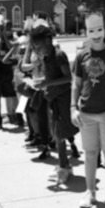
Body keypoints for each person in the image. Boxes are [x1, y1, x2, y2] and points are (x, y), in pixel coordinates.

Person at [71, 13, 105, 208]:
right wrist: (73, 107)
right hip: (86, 113)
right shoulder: (80, 56)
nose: (96, 34)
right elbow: (76, 85)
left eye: (99, 29)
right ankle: (90, 191)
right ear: (86, 32)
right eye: (91, 30)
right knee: (90, 153)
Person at [30, 22, 77, 185]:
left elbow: (68, 78)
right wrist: (42, 81)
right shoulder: (46, 57)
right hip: (53, 98)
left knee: (61, 133)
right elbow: (52, 77)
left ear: (48, 41)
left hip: (62, 99)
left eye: (38, 46)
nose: (36, 50)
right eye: (34, 47)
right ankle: (63, 165)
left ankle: (65, 166)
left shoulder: (58, 55)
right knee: (57, 134)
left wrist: (46, 84)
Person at [0, 14, 21, 129]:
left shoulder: (9, 35)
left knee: (12, 94)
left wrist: (4, 36)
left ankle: (19, 118)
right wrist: (0, 35)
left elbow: (11, 48)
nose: (1, 27)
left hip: (7, 67)